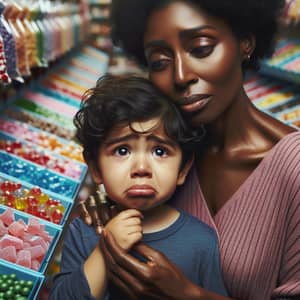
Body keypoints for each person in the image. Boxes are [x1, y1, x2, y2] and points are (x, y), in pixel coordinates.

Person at [78, 1, 300, 299]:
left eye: (201, 48)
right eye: (159, 61)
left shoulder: (293, 168)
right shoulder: (171, 148)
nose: (181, 75)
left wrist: (188, 295)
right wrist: (112, 206)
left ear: (245, 42)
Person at [49, 74, 228, 300]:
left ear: (183, 169)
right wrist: (105, 251)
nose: (141, 167)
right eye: (122, 151)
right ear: (95, 168)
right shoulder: (85, 231)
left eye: (159, 151)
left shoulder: (202, 242)